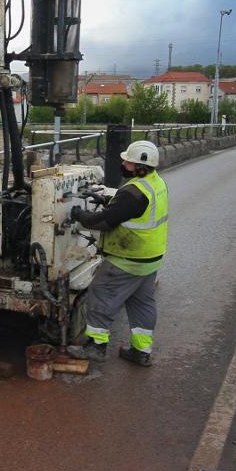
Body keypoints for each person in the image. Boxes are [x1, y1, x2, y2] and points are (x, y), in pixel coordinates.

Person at [66, 139, 168, 367]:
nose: (123, 163)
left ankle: (95, 346)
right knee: (142, 304)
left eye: (128, 161)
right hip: (150, 259)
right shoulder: (155, 182)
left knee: (101, 293)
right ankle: (141, 351)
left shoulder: (133, 191)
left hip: (128, 259)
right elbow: (131, 209)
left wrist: (78, 215)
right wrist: (107, 199)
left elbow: (104, 221)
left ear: (140, 166)